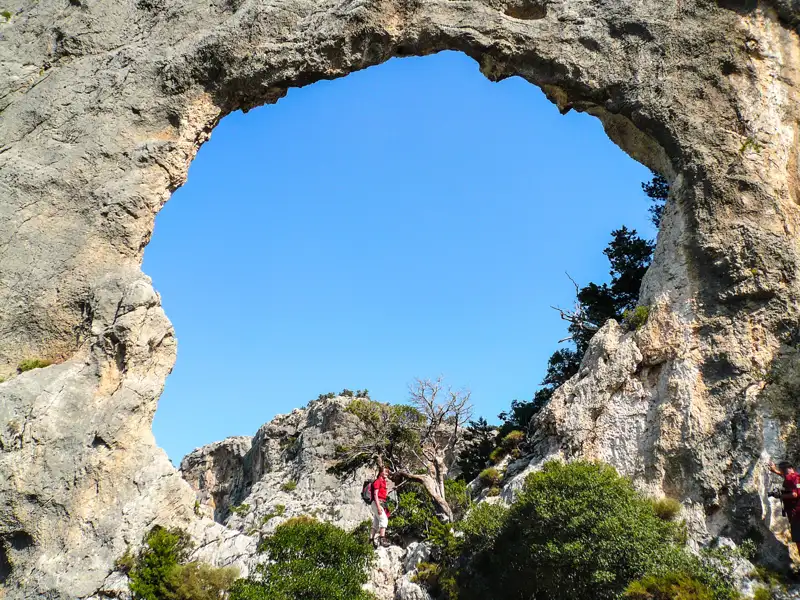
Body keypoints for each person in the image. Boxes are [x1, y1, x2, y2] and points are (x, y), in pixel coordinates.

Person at [769, 461, 800, 554]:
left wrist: (779, 495)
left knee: (799, 540)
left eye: (782, 472)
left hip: (797, 515)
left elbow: (794, 494)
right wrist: (775, 471)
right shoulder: (797, 477)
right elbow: (793, 483)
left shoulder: (790, 478)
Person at [370, 465, 392, 548]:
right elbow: (375, 494)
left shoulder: (383, 482)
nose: (387, 473)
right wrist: (378, 507)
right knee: (384, 519)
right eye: (385, 471)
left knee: (376, 521)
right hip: (377, 502)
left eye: (387, 471)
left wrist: (389, 490)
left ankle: (371, 540)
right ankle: (382, 539)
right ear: (380, 472)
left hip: (379, 502)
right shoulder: (378, 481)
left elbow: (383, 494)